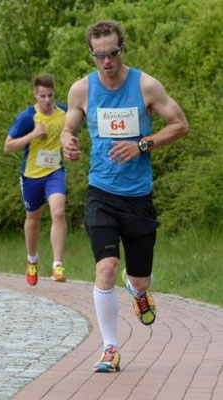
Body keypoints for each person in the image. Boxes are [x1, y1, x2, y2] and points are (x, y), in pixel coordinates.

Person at [61, 20, 189, 372]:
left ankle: (137, 291)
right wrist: (67, 141)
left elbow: (180, 124)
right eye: (99, 55)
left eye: (112, 53)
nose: (107, 61)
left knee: (139, 277)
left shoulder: (146, 86)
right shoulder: (81, 90)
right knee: (105, 268)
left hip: (137, 196)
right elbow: (69, 126)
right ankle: (110, 348)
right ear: (92, 54)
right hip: (100, 192)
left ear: (123, 49)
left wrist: (142, 145)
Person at [5, 73, 68, 286]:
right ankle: (32, 261)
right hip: (31, 175)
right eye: (43, 96)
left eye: (50, 95)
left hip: (55, 172)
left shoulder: (64, 113)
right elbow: (8, 146)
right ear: (35, 94)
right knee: (33, 218)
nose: (48, 100)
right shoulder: (27, 116)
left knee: (58, 212)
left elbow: (72, 131)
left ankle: (57, 265)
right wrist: (33, 134)